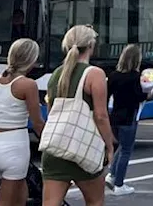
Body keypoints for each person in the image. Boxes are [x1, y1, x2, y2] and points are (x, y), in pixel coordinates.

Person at [41, 25, 116, 206]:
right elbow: (100, 116)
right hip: (84, 148)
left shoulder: (56, 74)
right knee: (95, 201)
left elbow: (52, 112)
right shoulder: (95, 74)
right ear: (91, 45)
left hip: (56, 148)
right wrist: (109, 145)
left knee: (50, 203)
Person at [0, 38, 45, 206]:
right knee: (6, 201)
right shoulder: (28, 85)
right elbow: (37, 122)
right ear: (32, 60)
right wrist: (49, 144)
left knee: (21, 193)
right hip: (14, 146)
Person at [106, 44, 146, 196]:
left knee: (121, 147)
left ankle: (112, 175)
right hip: (129, 116)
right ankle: (119, 184)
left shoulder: (114, 75)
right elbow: (137, 96)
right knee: (126, 150)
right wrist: (146, 94)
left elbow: (107, 94)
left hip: (115, 115)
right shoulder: (134, 77)